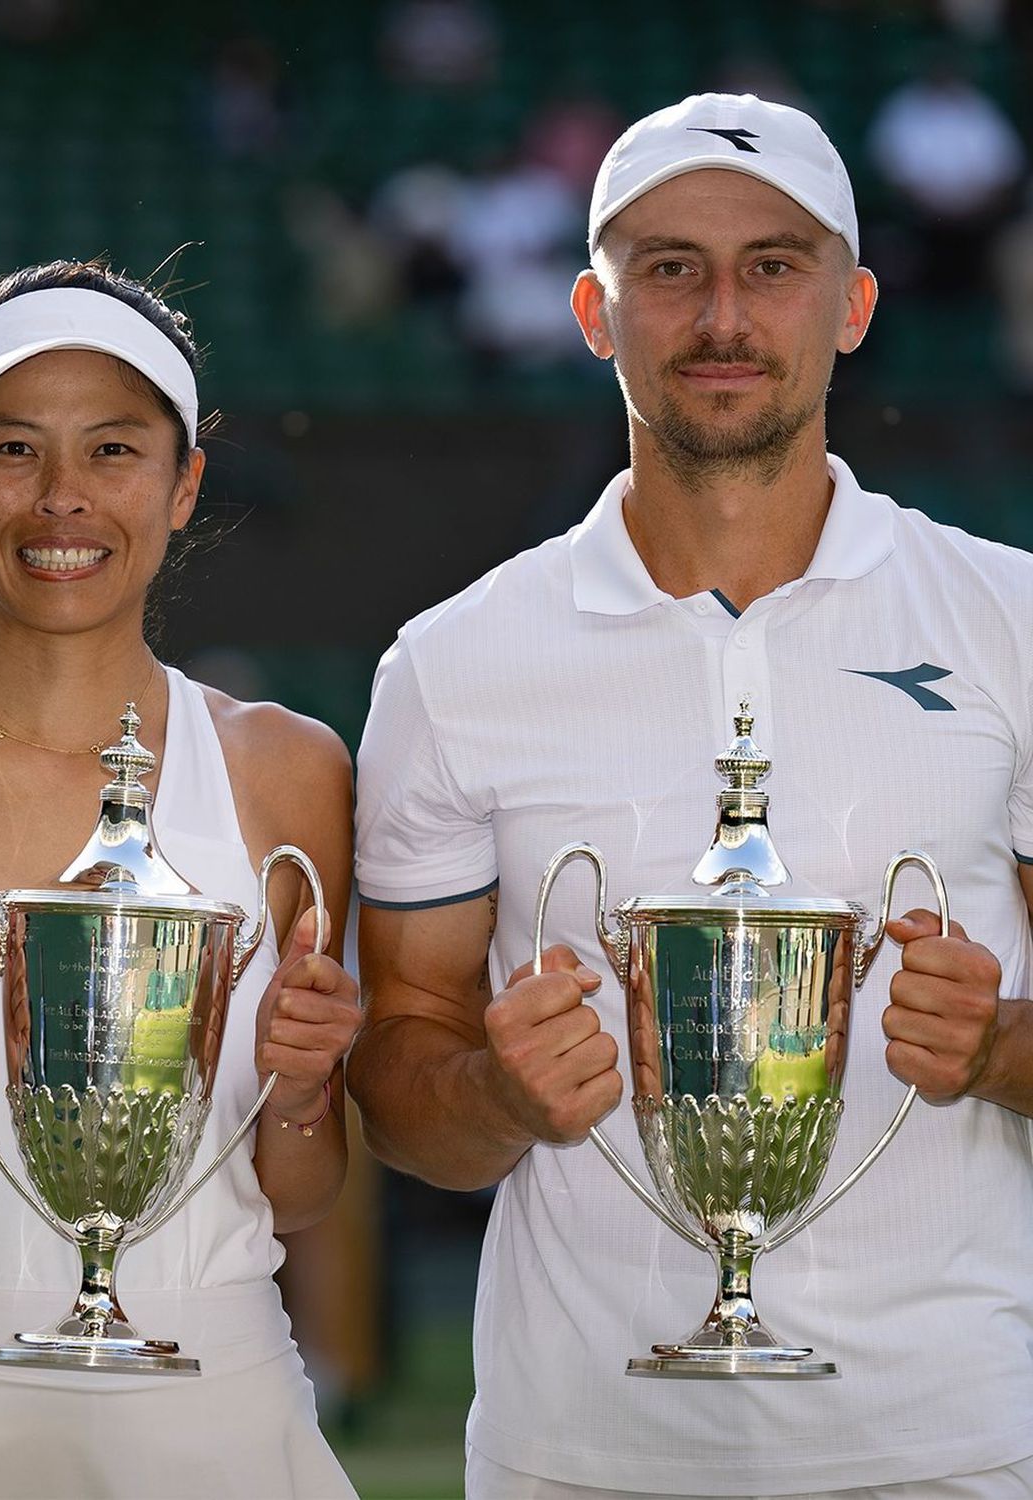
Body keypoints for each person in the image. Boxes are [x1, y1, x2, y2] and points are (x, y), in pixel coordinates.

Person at [349, 93, 1033, 1498]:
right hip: (579, 1453)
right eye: (671, 269)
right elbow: (403, 1089)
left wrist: (1000, 1050)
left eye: (773, 266)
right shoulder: (453, 662)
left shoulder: (1011, 620)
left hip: (951, 1445)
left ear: (854, 305)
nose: (724, 316)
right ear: (594, 313)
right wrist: (496, 1093)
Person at [0, 258, 361, 1498]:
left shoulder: (289, 770)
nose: (61, 496)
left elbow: (299, 1190)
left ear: (184, 486)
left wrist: (303, 1085)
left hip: (212, 1399)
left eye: (113, 450)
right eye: (13, 450)